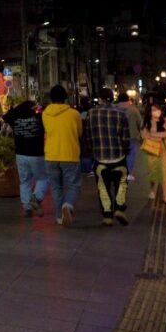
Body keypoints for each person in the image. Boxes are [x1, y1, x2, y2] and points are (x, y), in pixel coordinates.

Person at [86, 88, 132, 226]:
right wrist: (126, 150)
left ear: (99, 99)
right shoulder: (120, 114)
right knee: (122, 182)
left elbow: (88, 136)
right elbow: (125, 137)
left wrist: (91, 152)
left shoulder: (91, 114)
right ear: (112, 98)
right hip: (118, 156)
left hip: (100, 158)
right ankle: (119, 208)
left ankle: (107, 216)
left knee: (103, 187)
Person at [42, 85, 83, 227]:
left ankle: (59, 216)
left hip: (51, 155)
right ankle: (68, 205)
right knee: (74, 184)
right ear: (65, 97)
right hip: (70, 154)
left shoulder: (45, 113)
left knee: (56, 187)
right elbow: (79, 133)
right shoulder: (74, 114)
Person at [3, 99, 47, 217]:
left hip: (20, 154)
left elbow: (6, 116)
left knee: (24, 181)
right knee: (43, 178)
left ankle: (27, 208)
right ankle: (36, 198)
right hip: (36, 154)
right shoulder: (39, 118)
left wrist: (17, 108)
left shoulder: (15, 118)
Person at [141, 99, 166, 204]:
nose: (157, 112)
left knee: (165, 173)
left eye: (158, 110)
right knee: (153, 172)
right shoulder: (147, 122)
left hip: (164, 149)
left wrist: (154, 135)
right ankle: (152, 189)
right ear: (150, 112)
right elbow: (144, 135)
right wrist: (160, 135)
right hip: (152, 149)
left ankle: (164, 196)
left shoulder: (165, 120)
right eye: (154, 110)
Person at [118, 91, 144, 182]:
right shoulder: (133, 109)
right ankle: (128, 173)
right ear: (128, 99)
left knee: (120, 155)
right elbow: (140, 122)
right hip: (131, 136)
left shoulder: (114, 109)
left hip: (118, 137)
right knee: (131, 155)